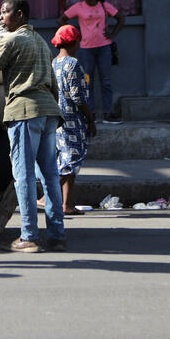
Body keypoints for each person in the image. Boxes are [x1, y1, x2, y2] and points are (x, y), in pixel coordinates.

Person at [0, 0, 65, 253]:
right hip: (48, 113)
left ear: (19, 15)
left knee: (24, 176)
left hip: (24, 113)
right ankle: (57, 235)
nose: (0, 17)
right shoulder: (41, 42)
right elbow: (54, 84)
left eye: (4, 12)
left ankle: (28, 236)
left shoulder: (12, 40)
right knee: (49, 176)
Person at [58, 0, 125, 124]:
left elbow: (120, 18)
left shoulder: (104, 6)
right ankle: (91, 114)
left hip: (104, 47)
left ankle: (108, 113)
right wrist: (75, 34)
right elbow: (61, 19)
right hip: (86, 49)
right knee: (88, 82)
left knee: (106, 81)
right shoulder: (78, 7)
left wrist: (112, 34)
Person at [46, 24, 96, 215]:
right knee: (70, 160)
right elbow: (78, 97)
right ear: (75, 43)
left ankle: (67, 204)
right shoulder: (72, 64)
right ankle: (45, 198)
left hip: (57, 117)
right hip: (72, 119)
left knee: (67, 161)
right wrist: (90, 119)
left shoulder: (53, 62)